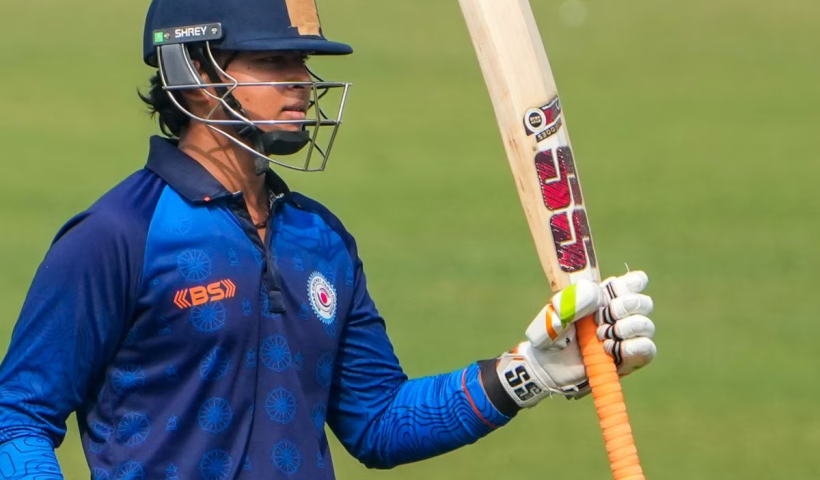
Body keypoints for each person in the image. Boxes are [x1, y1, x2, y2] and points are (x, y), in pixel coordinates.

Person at [0, 0, 658, 479]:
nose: (303, 84)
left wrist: (527, 373)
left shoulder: (319, 239)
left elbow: (379, 422)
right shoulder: (118, 236)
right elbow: (18, 419)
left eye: (302, 62)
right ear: (194, 73)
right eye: (273, 62)